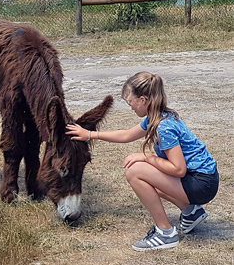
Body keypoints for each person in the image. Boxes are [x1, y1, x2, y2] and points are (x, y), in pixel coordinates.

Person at [66, 71, 218, 251]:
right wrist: (90, 135)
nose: (130, 107)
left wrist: (147, 157)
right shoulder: (157, 117)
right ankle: (191, 211)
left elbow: (178, 169)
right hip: (201, 178)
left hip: (202, 183)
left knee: (136, 171)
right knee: (145, 172)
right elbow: (126, 135)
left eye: (130, 102)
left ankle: (165, 233)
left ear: (143, 100)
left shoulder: (164, 127)